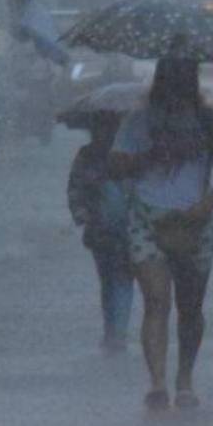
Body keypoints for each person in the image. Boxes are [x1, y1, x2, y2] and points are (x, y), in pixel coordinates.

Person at [109, 58, 213, 410]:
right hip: (147, 219)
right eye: (171, 81)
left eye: (184, 81)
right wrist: (149, 155)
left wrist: (206, 205)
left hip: (195, 222)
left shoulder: (209, 122)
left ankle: (184, 378)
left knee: (190, 305)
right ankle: (156, 382)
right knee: (155, 299)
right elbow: (117, 163)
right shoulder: (139, 121)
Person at [67, 113, 134, 352]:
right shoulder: (87, 156)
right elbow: (75, 189)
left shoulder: (131, 154)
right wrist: (83, 216)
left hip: (129, 230)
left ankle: (118, 333)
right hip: (101, 231)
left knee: (122, 279)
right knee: (109, 281)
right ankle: (112, 330)